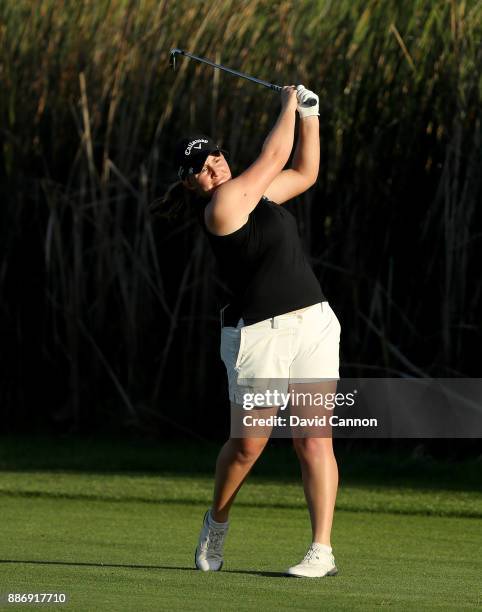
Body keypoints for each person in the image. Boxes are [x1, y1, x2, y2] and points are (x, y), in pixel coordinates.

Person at [165, 85, 341, 577]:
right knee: (249, 444)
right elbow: (275, 153)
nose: (212, 167)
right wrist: (287, 103)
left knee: (314, 438)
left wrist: (311, 115)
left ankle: (321, 550)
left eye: (214, 156)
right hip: (259, 335)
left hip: (314, 324)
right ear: (190, 184)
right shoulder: (220, 210)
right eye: (199, 168)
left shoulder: (256, 192)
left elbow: (304, 172)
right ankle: (216, 523)